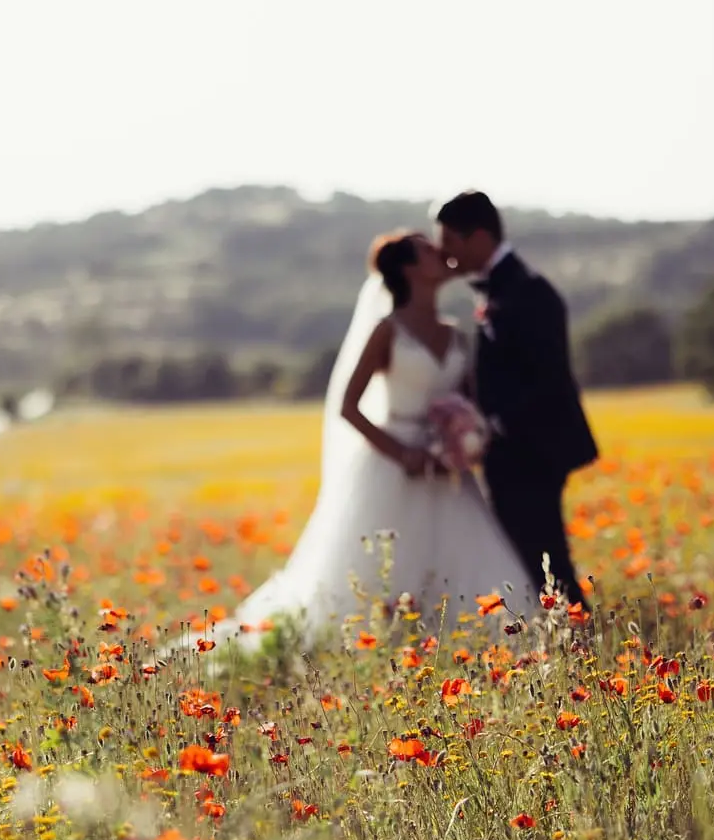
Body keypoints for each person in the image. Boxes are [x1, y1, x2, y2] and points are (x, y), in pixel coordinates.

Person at [178, 230, 537, 652]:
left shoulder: (456, 335)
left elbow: (468, 403)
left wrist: (465, 442)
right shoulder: (388, 331)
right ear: (407, 269)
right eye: (426, 250)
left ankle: (463, 644)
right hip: (392, 462)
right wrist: (402, 452)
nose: (439, 254)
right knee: (378, 566)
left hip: (444, 468)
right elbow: (348, 405)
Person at [435, 190, 599, 608]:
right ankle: (567, 642)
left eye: (449, 241)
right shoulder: (499, 290)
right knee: (531, 560)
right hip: (513, 454)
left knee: (546, 560)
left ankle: (583, 645)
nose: (444, 253)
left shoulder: (530, 292)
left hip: (533, 452)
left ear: (478, 238)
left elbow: (549, 379)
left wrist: (492, 425)